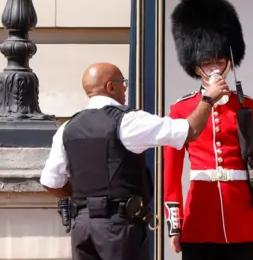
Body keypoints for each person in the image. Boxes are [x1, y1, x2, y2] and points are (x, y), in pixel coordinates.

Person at [39, 62, 229, 260]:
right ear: (111, 87)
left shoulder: (67, 128)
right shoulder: (127, 121)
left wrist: (85, 200)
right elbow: (190, 130)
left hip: (82, 227)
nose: (125, 88)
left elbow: (51, 182)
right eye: (123, 83)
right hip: (118, 227)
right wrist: (208, 98)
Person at [164, 0, 253, 260]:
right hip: (199, 216)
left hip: (240, 216)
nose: (215, 68)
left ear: (229, 63)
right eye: (207, 62)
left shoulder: (248, 107)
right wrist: (175, 223)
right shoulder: (181, 109)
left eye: (219, 61)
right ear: (197, 69)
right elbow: (171, 171)